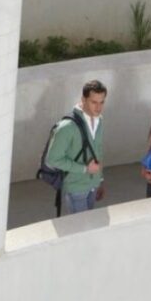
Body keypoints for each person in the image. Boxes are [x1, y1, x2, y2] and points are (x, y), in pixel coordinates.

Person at [45, 80, 109, 216]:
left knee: (89, 223)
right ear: (83, 99)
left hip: (92, 185)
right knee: (81, 230)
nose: (98, 107)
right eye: (94, 102)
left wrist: (100, 180)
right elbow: (53, 159)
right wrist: (85, 169)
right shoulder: (67, 127)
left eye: (102, 102)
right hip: (75, 188)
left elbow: (98, 151)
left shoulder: (100, 120)